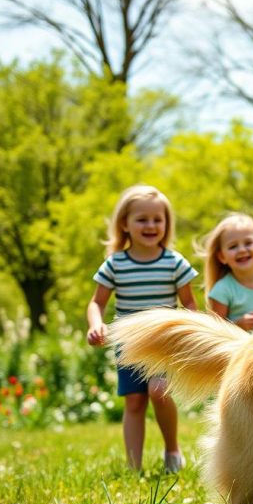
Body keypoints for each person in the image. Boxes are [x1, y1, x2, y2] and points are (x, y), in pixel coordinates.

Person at [85, 184, 198, 472]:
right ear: (125, 224)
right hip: (128, 343)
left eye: (157, 219)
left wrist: (191, 336)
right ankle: (133, 466)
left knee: (159, 391)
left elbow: (189, 305)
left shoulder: (175, 262)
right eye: (142, 219)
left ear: (166, 224)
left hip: (162, 341)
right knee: (135, 400)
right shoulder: (115, 264)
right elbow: (97, 302)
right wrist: (96, 324)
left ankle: (172, 450)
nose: (151, 225)